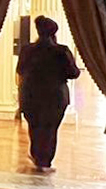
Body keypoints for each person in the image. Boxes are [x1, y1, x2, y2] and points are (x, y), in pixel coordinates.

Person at [17, 15, 81, 173]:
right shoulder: (61, 51)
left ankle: (37, 156)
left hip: (30, 95)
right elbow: (74, 73)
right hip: (55, 96)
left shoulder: (27, 50)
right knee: (50, 129)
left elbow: (20, 69)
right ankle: (45, 160)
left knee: (34, 126)